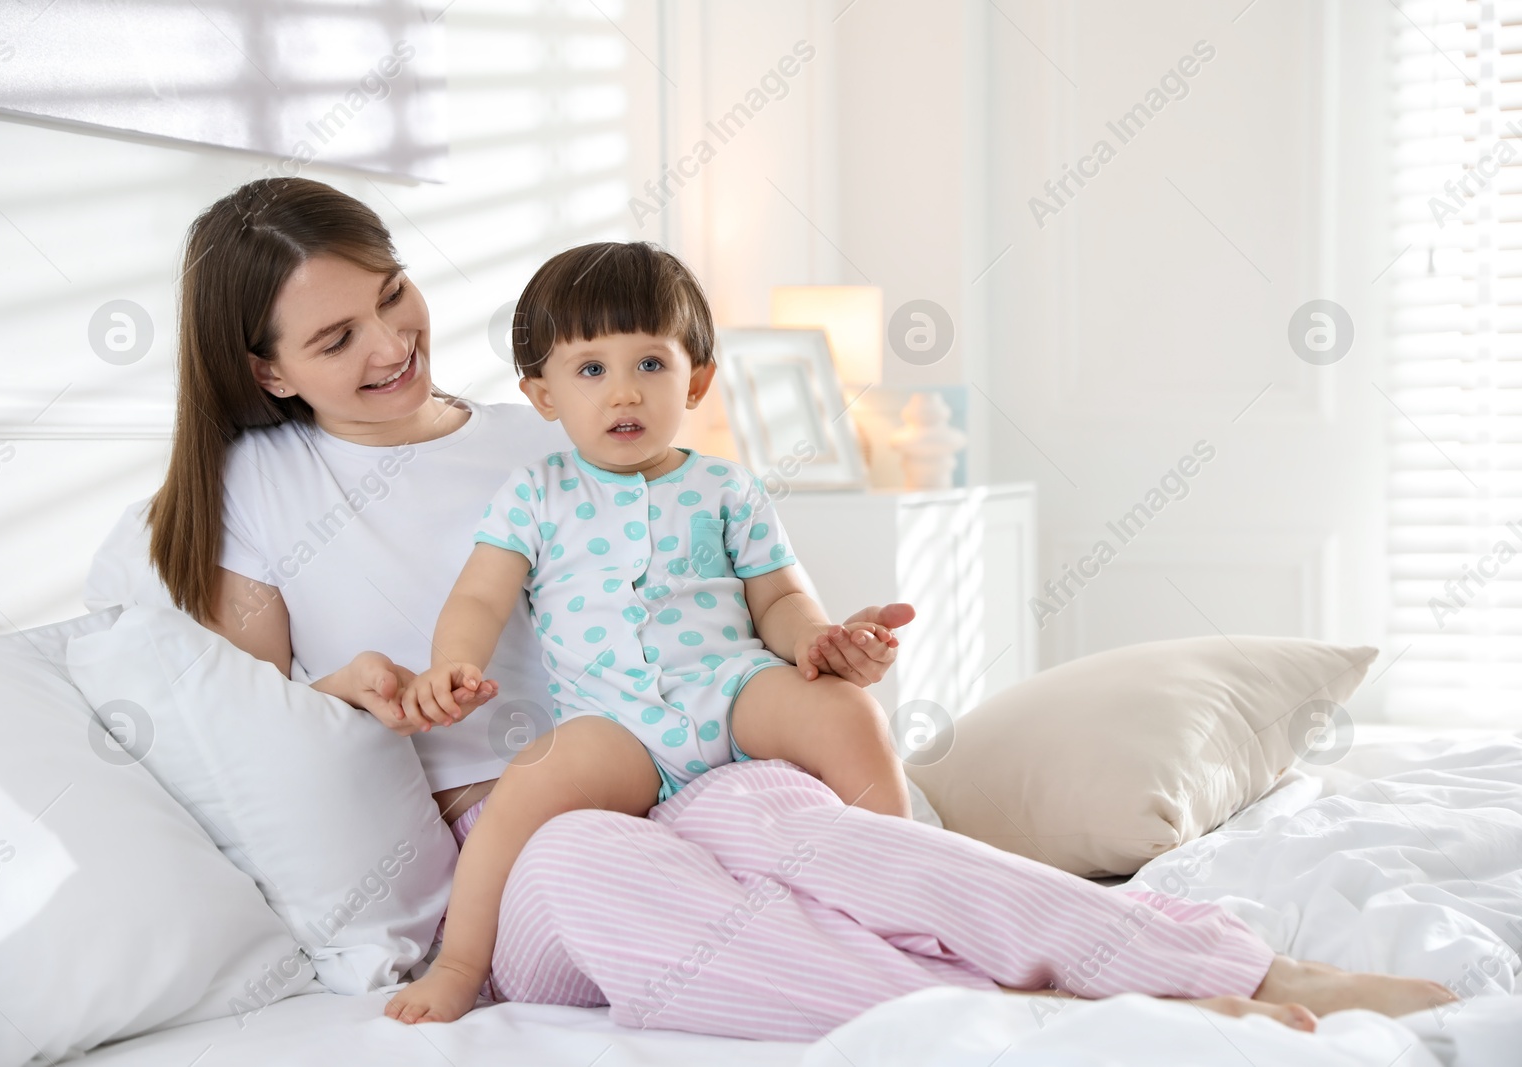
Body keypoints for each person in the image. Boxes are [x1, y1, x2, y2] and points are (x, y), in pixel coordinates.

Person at [133, 176, 1455, 1040]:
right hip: (514, 838)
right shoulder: (263, 485)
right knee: (607, 868)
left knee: (823, 837)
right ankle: (1097, 1033)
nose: (389, 346)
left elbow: (736, 591)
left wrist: (811, 651)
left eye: (392, 298)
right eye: (336, 339)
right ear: (264, 367)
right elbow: (241, 726)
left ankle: (1233, 969)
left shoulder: (550, 436)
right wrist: (345, 689)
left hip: (680, 755)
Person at [385, 242, 911, 1023]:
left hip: (731, 692)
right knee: (527, 784)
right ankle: (461, 962)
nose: (623, 391)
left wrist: (816, 642)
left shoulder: (725, 486)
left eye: (651, 365)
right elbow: (479, 599)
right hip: (615, 722)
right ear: (543, 395)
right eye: (590, 369)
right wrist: (450, 665)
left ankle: (900, 883)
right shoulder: (535, 493)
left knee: (844, 709)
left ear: (696, 378)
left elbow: (778, 597)